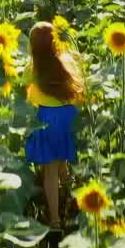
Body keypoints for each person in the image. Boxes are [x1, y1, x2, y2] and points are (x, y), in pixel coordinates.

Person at [24, 21, 85, 231]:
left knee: (49, 171)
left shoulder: (32, 69)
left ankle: (55, 220)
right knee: (62, 160)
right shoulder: (66, 64)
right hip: (67, 118)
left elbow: (27, 96)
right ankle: (73, 197)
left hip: (46, 119)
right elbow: (79, 92)